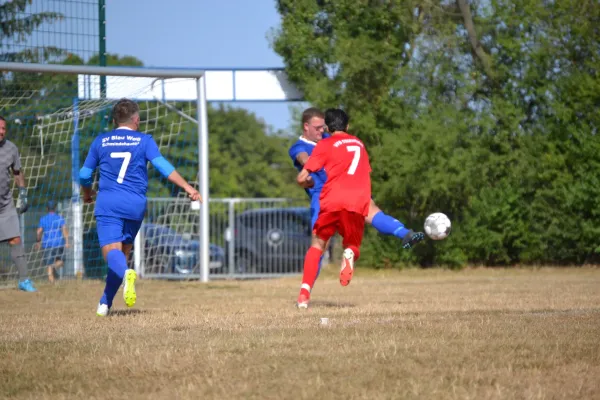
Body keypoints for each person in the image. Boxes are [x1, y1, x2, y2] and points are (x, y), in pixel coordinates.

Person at [79, 98, 201, 317]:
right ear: (136, 119)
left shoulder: (101, 141)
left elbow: (84, 174)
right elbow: (162, 166)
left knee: (112, 255)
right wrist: (188, 187)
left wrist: (87, 194)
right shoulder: (144, 140)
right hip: (135, 204)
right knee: (123, 253)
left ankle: (126, 275)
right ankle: (104, 304)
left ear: (115, 120)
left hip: (109, 203)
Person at [288, 109, 424, 278]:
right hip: (329, 195)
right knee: (367, 214)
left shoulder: (327, 139)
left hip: (331, 197)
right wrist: (312, 163)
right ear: (305, 126)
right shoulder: (300, 147)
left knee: (318, 245)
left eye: (323, 127)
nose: (321, 130)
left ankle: (305, 294)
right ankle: (403, 234)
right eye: (317, 128)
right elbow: (303, 158)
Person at [296, 108, 372, 308]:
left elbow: (302, 177)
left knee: (318, 245)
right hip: (356, 201)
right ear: (347, 126)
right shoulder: (359, 144)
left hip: (330, 201)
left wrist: (307, 183)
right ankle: (348, 255)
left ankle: (304, 295)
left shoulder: (325, 144)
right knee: (353, 246)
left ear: (328, 127)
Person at [0, 116, 36, 292]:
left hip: (5, 204)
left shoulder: (11, 148)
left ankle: (24, 280)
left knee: (15, 239)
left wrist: (22, 192)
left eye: (3, 128)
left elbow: (17, 172)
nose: (1, 131)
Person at [35, 200, 69, 283]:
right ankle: (54, 268)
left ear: (47, 208)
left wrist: (38, 241)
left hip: (47, 244)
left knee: (49, 264)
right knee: (61, 261)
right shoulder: (59, 218)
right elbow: (64, 230)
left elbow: (39, 232)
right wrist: (67, 241)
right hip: (59, 243)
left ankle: (51, 281)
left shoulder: (43, 219)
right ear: (55, 208)